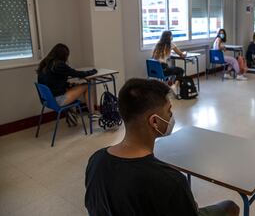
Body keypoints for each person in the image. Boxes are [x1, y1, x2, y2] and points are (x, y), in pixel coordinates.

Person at [85, 78, 240, 216]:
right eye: (169, 111)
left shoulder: (96, 160)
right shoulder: (171, 181)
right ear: (154, 121)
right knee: (230, 207)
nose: (171, 115)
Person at [37, 43, 97, 112]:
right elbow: (77, 74)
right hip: (57, 100)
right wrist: (93, 71)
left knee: (72, 85)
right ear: (63, 55)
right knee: (87, 85)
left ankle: (73, 114)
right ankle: (92, 114)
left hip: (47, 100)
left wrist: (68, 84)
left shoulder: (45, 63)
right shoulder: (58, 65)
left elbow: (52, 82)